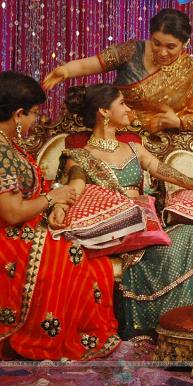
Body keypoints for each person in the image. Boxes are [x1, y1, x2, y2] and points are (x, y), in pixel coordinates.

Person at [52, 84, 193, 339]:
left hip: (147, 229)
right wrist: (58, 205)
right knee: (183, 237)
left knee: (189, 233)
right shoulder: (80, 156)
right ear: (103, 111)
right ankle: (162, 324)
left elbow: (166, 172)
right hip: (116, 234)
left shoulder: (134, 148)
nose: (128, 109)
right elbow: (73, 186)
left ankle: (192, 321)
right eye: (122, 103)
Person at [0, 72, 120, 360]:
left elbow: (33, 194)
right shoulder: (1, 151)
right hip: (8, 237)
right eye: (34, 113)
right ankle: (42, 338)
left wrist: (55, 202)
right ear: (18, 114)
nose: (36, 120)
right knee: (68, 252)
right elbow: (12, 213)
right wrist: (52, 199)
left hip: (22, 226)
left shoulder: (8, 144)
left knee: (89, 256)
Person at [42, 8, 193, 141]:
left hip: (165, 141)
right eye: (156, 43)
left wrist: (179, 122)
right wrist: (66, 70)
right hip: (119, 131)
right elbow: (89, 64)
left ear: (185, 43)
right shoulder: (131, 50)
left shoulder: (190, 68)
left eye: (171, 47)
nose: (162, 52)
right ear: (151, 36)